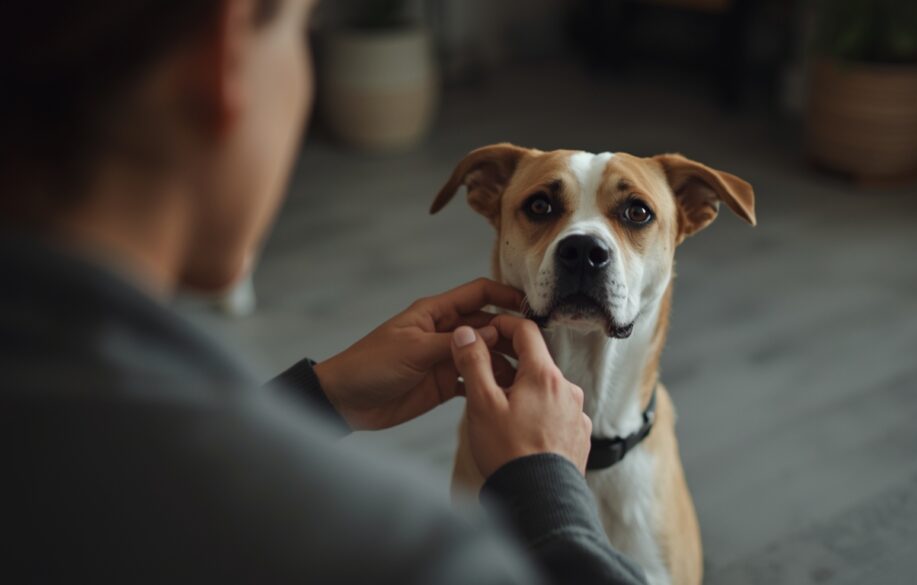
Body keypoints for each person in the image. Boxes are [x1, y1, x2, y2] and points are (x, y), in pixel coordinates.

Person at [0, 1, 647, 583]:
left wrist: (319, 396)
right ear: (224, 56)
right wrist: (546, 494)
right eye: (302, 35)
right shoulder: (402, 550)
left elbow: (122, 493)